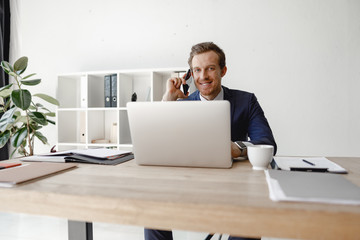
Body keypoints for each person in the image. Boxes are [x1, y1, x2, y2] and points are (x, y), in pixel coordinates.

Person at [145, 42, 277, 240]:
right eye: (197, 70)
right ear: (190, 74)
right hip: (189, 184)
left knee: (249, 225)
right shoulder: (182, 104)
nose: (203, 76)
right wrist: (168, 100)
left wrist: (236, 148)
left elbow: (267, 143)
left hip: (233, 186)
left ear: (223, 71)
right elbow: (156, 143)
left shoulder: (246, 101)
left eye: (210, 69)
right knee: (152, 213)